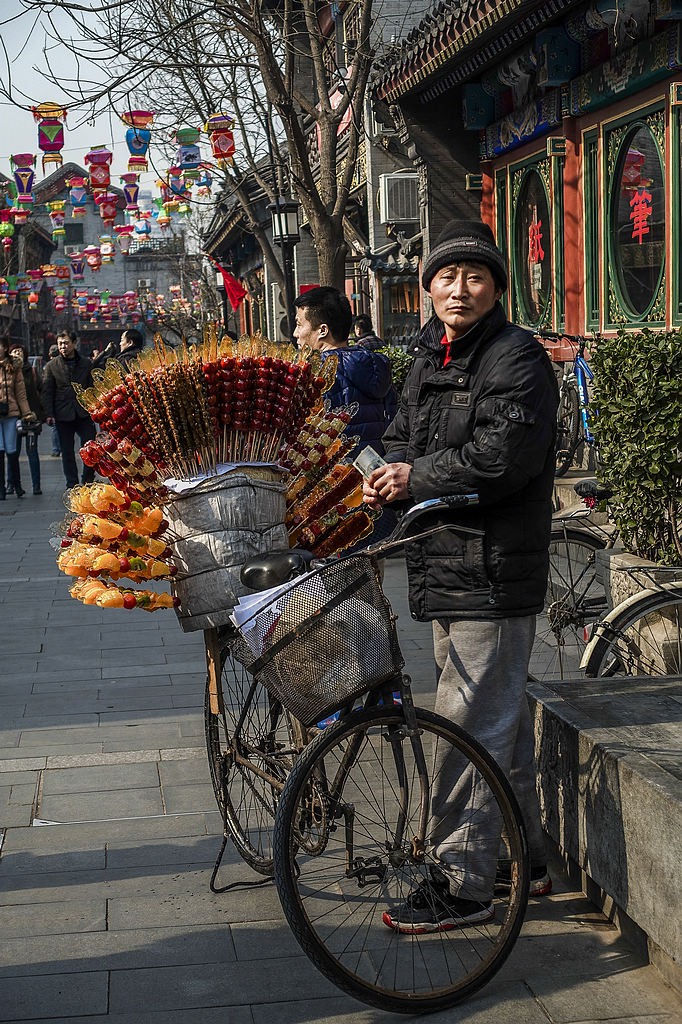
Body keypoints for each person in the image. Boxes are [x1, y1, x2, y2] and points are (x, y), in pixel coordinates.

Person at [363, 221, 559, 932]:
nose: (459, 288)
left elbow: (502, 457)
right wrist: (383, 474)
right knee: (492, 719)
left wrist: (416, 476)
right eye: (446, 277)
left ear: (497, 289)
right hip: (446, 563)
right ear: (428, 289)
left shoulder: (515, 358)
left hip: (492, 569)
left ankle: (463, 884)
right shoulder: (430, 355)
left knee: (467, 726)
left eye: (475, 277)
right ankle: (521, 859)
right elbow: (401, 438)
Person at [293, 288, 393, 458]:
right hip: (374, 473)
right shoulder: (375, 366)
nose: (295, 333)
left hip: (331, 477)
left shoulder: (316, 374)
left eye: (299, 324)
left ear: (322, 331)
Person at [42, 330, 96, 489]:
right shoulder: (52, 366)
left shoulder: (86, 363)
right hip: (62, 413)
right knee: (67, 452)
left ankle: (88, 480)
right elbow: (47, 391)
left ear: (74, 343)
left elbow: (92, 387)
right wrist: (49, 414)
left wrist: (95, 407)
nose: (63, 347)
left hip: (84, 412)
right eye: (60, 344)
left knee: (91, 449)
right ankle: (72, 484)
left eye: (66, 343)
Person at [7, 343, 45, 496]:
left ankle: (36, 486)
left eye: (20, 351)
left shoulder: (33, 371)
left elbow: (41, 391)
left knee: (32, 452)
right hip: (12, 418)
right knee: (12, 452)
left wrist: (42, 414)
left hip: (30, 418)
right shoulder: (6, 371)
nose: (18, 353)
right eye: (14, 351)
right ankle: (12, 485)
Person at [0, 338, 35, 499]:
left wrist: (27, 413)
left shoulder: (14, 366)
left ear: (5, 348)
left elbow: (21, 394)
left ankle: (17, 485)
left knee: (12, 451)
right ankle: (2, 489)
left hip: (11, 414)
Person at [47, 344, 61, 457]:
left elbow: (46, 390)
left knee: (56, 428)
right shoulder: (61, 365)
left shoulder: (48, 367)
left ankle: (56, 449)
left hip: (56, 402)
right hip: (63, 402)